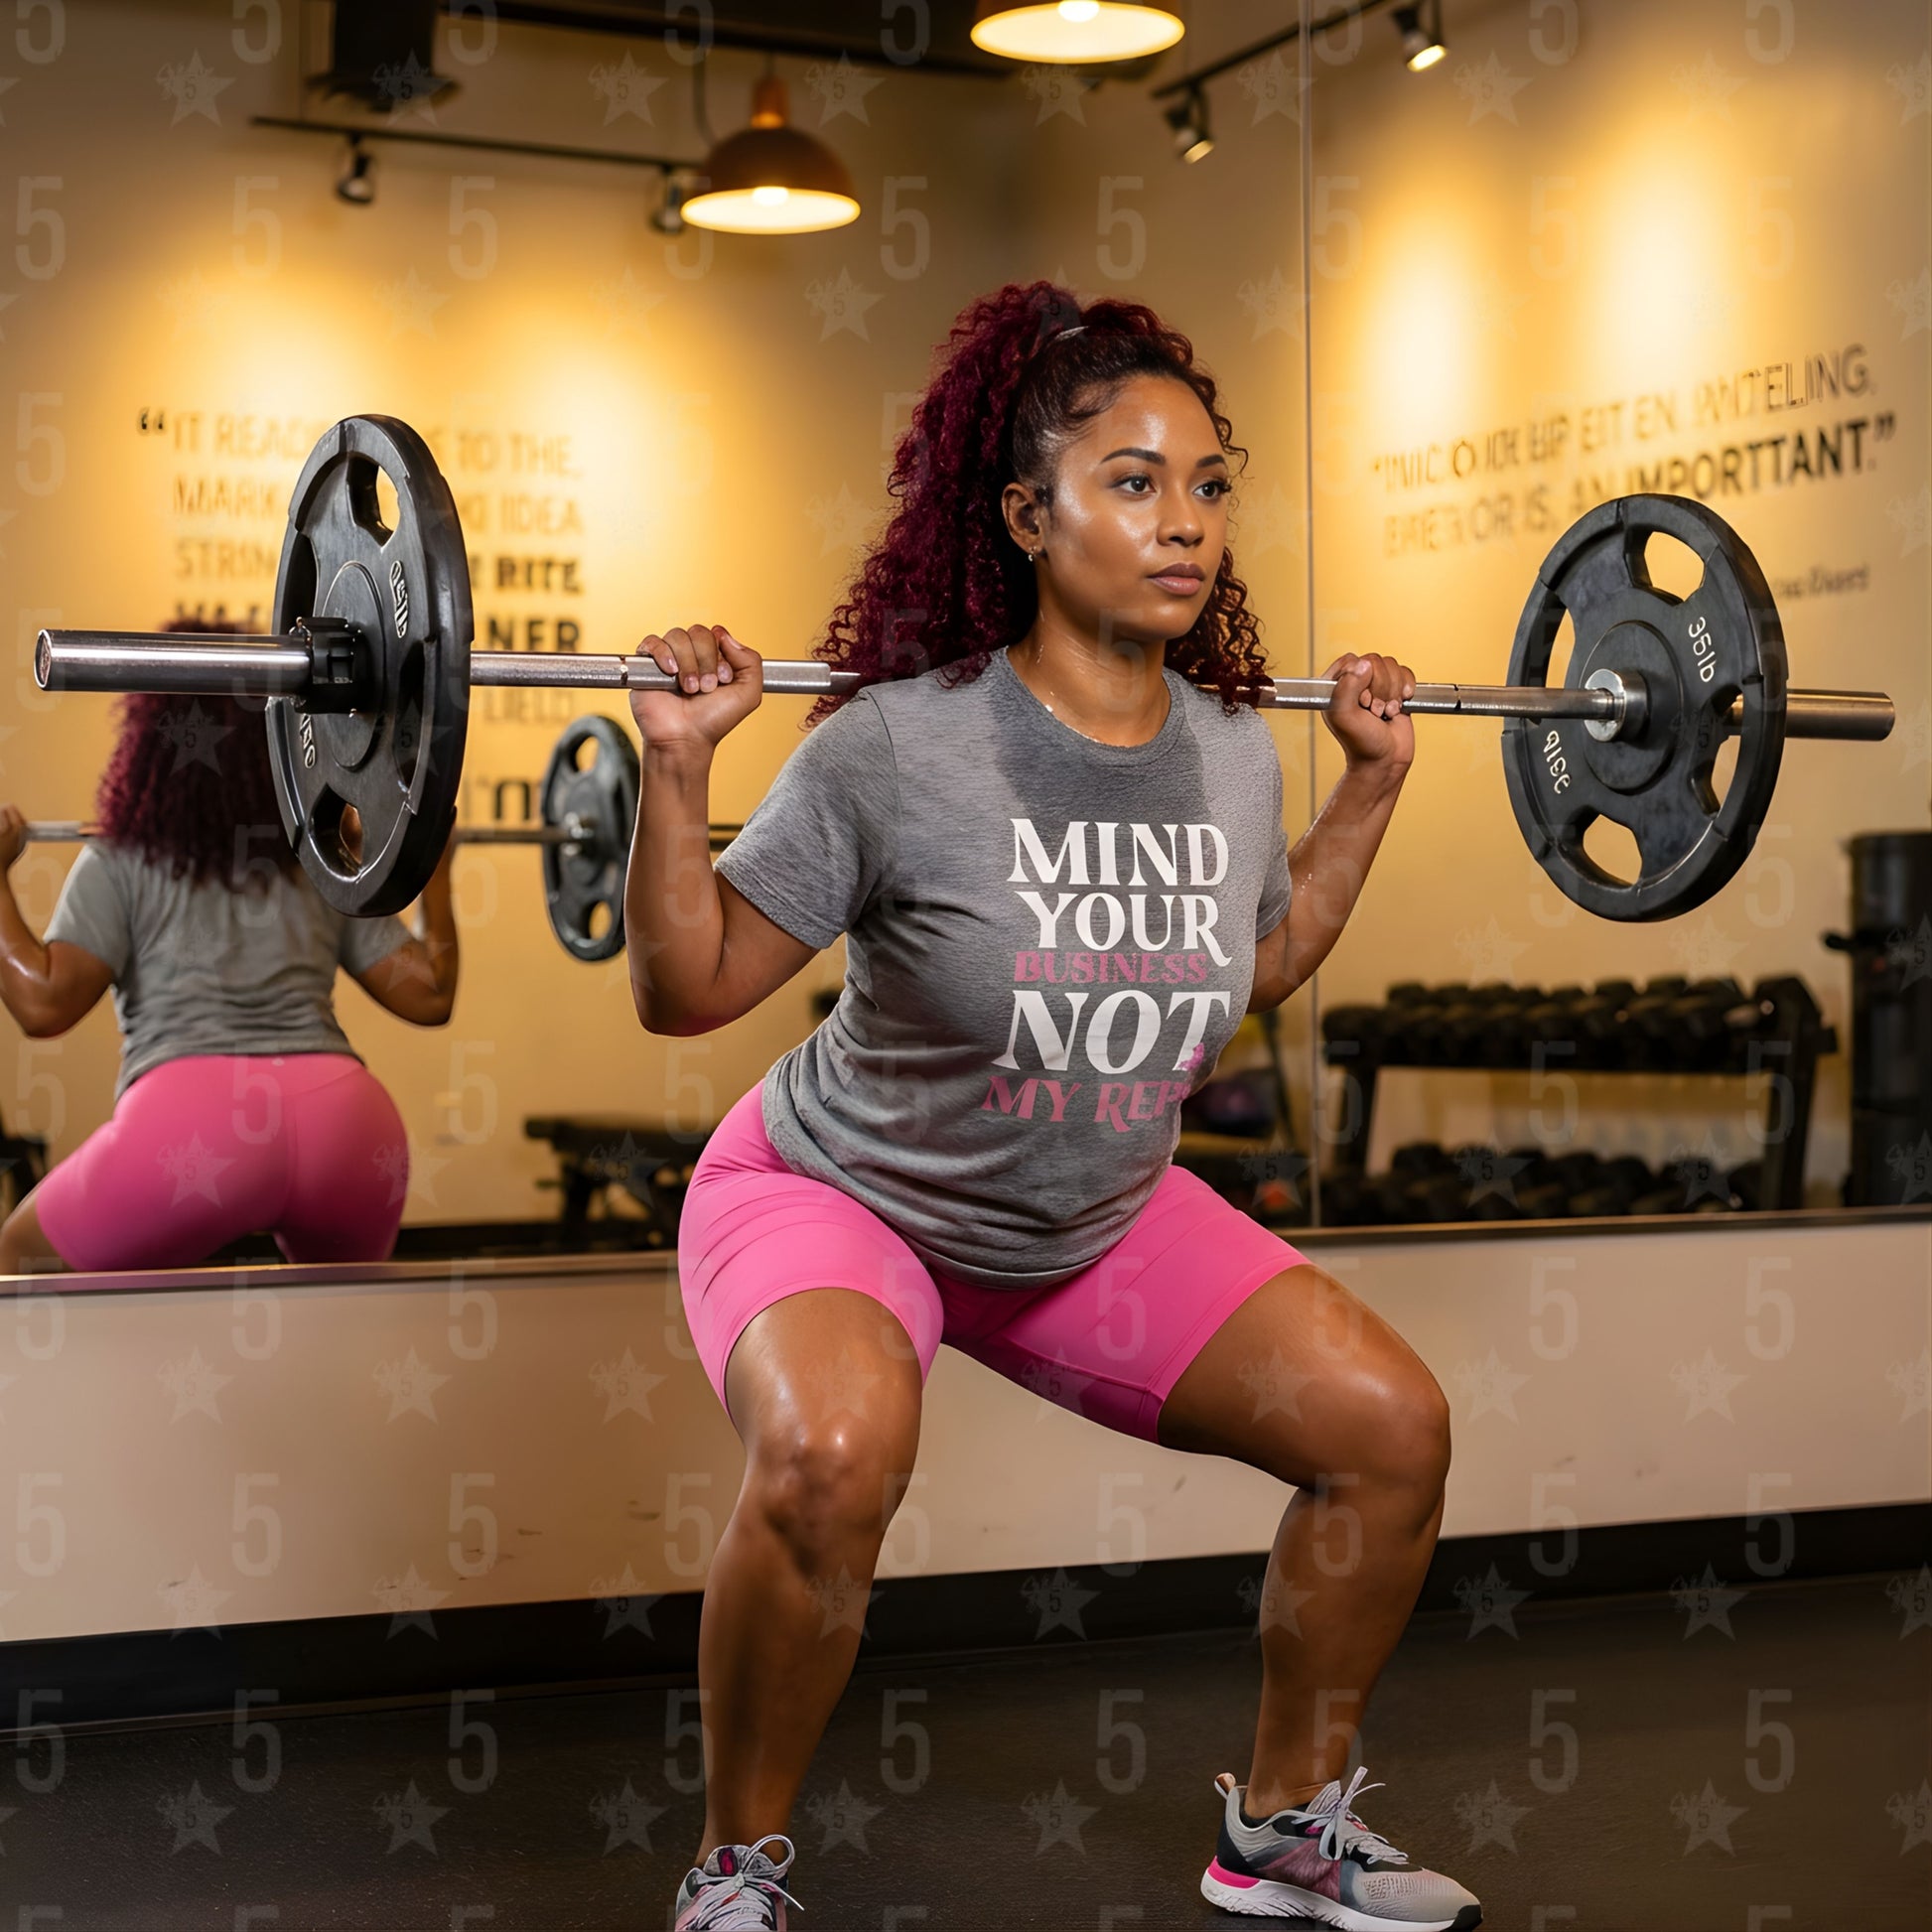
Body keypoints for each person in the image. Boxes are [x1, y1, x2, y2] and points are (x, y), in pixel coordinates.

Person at [626, 284, 1477, 1932]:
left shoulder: (1234, 752)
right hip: (844, 1187)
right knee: (828, 1452)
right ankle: (733, 1870)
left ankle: (1285, 1831)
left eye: (1210, 484)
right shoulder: (892, 746)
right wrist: (673, 772)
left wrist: (1370, 787)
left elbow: (1251, 967)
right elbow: (691, 988)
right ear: (1026, 512)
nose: (1187, 523)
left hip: (1088, 1214)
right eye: (1134, 481)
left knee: (1391, 1432)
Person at [0, 666, 459, 1274]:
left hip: (189, 1133)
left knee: (21, 1256)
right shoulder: (320, 860)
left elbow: (43, 1006)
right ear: (284, 743)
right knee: (347, 1339)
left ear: (146, 744)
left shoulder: (119, 859)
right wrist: (438, 872)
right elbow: (430, 995)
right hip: (347, 1128)